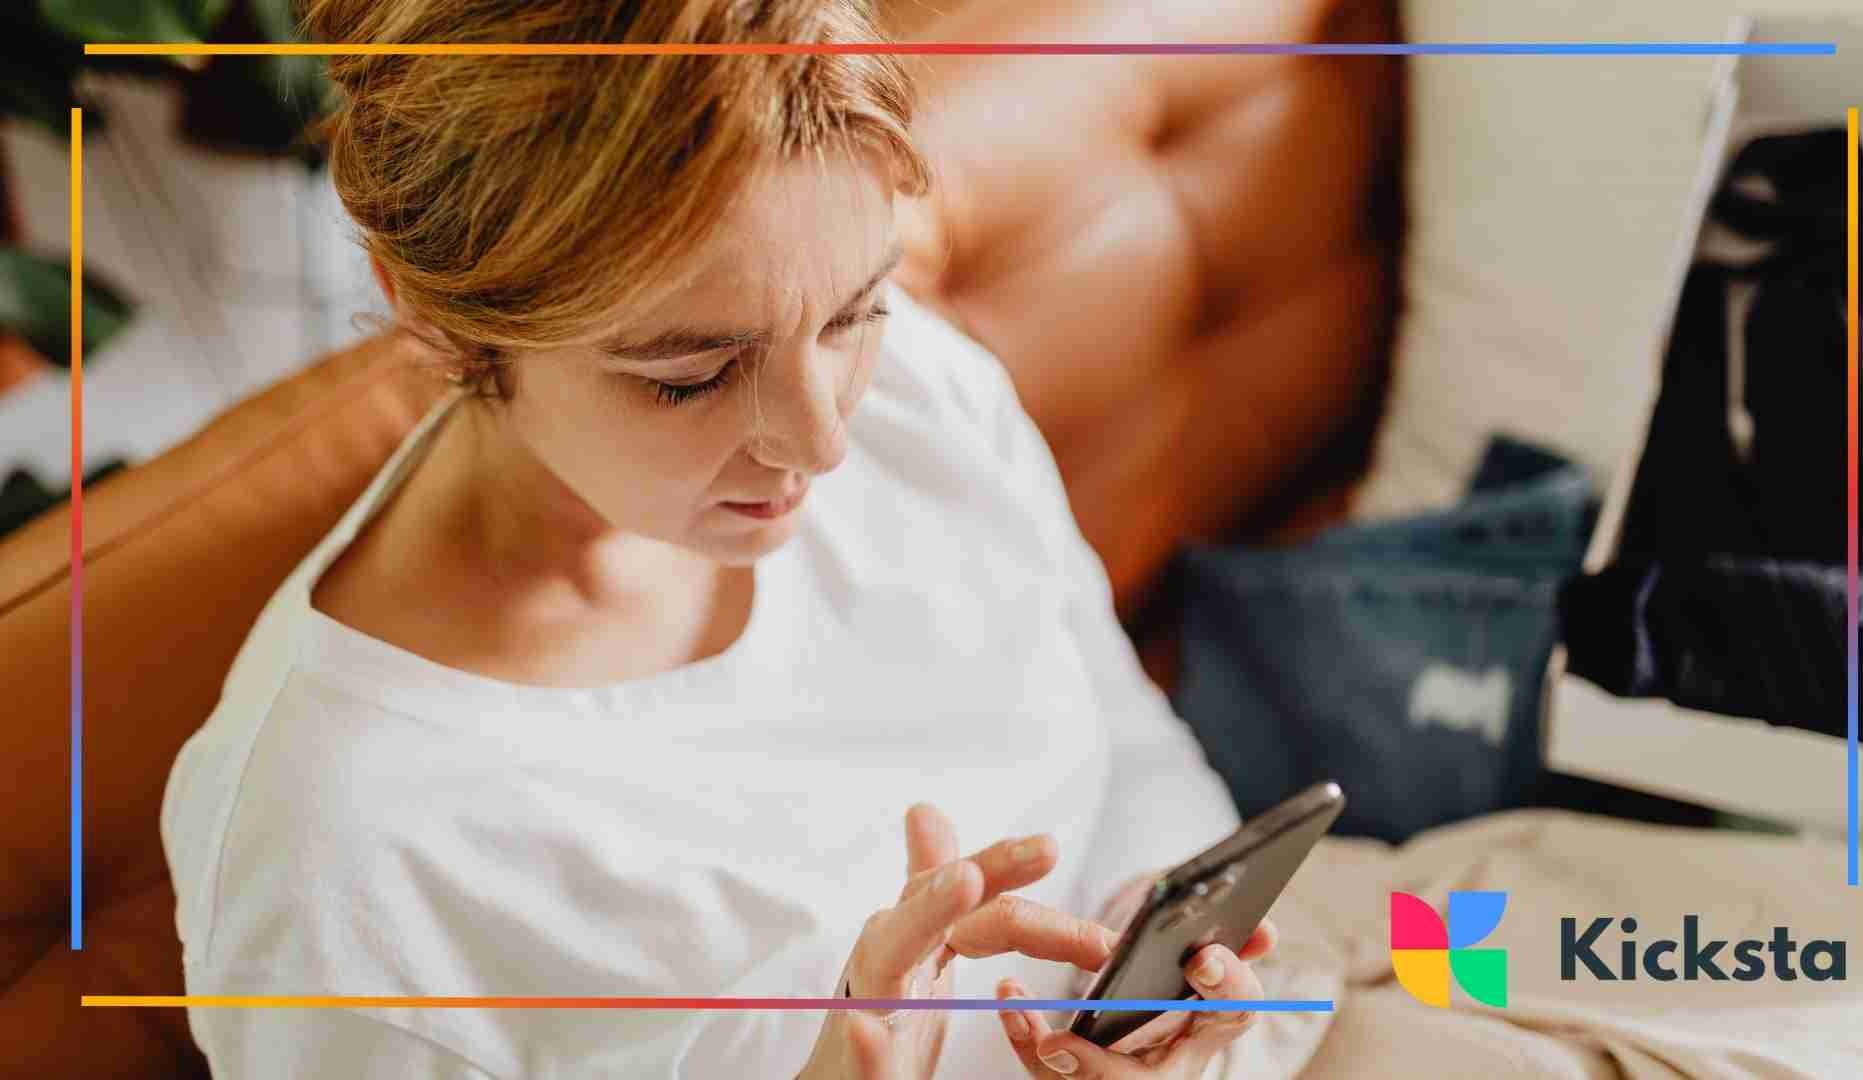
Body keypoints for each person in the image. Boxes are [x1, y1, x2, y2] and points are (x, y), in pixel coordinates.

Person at [161, 2, 1279, 1076]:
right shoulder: (344, 857)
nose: (825, 439)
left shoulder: (920, 393)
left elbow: (1129, 738)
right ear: (432, 311)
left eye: (855, 313)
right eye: (691, 379)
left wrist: (1155, 928)